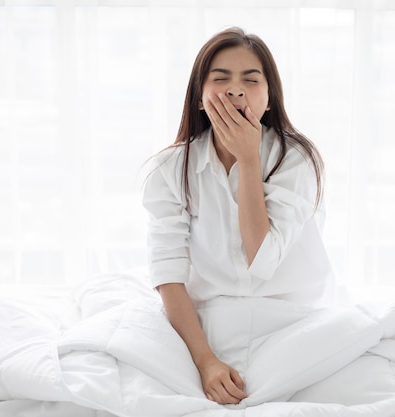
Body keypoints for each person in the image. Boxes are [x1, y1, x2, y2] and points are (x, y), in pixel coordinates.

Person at [142, 27, 335, 406]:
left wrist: (249, 160)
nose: (236, 90)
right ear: (200, 98)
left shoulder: (296, 159)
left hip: (291, 320)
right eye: (220, 79)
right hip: (205, 323)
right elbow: (169, 274)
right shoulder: (169, 169)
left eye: (251, 79)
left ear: (268, 98)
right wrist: (206, 361)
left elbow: (262, 259)